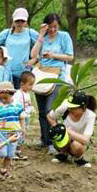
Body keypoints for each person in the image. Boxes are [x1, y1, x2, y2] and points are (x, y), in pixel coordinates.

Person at [30, 12, 75, 154]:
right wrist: (41, 35)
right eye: (50, 27)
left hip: (57, 77)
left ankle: (54, 141)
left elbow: (70, 56)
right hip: (41, 75)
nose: (53, 30)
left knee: (51, 111)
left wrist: (53, 55)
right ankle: (45, 140)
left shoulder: (64, 36)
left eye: (55, 27)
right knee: (42, 111)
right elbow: (33, 55)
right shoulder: (42, 37)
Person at [0, 7, 39, 88]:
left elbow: (42, 43)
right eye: (17, 21)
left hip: (23, 72)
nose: (20, 23)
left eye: (22, 21)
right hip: (7, 71)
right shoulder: (7, 33)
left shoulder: (30, 32)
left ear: (26, 21)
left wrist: (35, 58)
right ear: (13, 20)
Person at [47, 90, 96, 167]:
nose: (70, 109)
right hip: (64, 138)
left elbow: (85, 140)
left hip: (78, 141)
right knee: (58, 138)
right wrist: (56, 127)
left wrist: (66, 130)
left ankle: (78, 158)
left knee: (77, 146)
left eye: (74, 108)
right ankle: (63, 154)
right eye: (70, 107)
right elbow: (50, 116)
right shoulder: (65, 107)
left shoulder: (90, 115)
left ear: (83, 107)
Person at [0, 81, 24, 180]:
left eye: (5, 98)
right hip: (2, 133)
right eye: (0, 98)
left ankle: (5, 170)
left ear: (12, 94)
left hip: (14, 133)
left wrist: (22, 129)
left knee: (10, 154)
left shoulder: (18, 106)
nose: (3, 100)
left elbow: (21, 118)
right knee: (1, 154)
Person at [14, 71, 35, 159]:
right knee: (17, 133)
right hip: (20, 118)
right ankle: (14, 151)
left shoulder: (27, 94)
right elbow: (16, 106)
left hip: (26, 117)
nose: (31, 87)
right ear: (22, 84)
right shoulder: (18, 94)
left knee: (23, 133)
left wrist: (31, 108)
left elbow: (28, 104)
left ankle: (19, 151)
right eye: (30, 84)